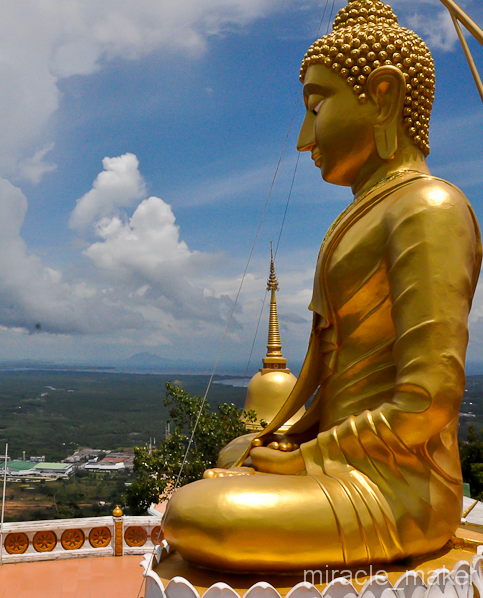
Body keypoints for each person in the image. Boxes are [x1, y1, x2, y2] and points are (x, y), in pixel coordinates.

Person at [162, 0, 482, 571]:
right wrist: (287, 443)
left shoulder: (430, 207)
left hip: (400, 486)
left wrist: (312, 454)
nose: (306, 139)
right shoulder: (369, 211)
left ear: (383, 95)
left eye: (317, 107)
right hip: (343, 457)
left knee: (197, 514)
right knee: (235, 452)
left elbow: (428, 400)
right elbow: (332, 380)